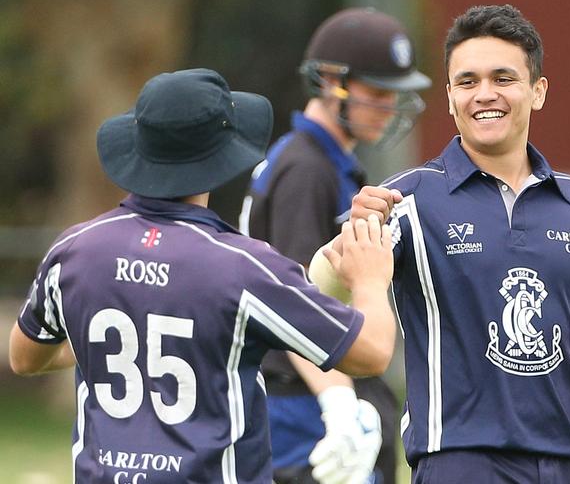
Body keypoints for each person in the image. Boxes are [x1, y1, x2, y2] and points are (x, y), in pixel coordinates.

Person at [8, 68, 398, 483]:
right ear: (222, 156)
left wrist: (132, 340)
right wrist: (371, 279)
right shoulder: (244, 267)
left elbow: (25, 357)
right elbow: (371, 353)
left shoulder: (73, 252)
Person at [315, 4, 570, 484]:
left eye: (503, 78)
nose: (484, 95)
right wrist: (350, 242)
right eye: (467, 82)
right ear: (450, 97)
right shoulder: (404, 199)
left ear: (537, 91)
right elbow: (317, 287)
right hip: (459, 462)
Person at [239, 7, 431, 484]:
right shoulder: (307, 171)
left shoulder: (323, 161)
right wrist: (339, 405)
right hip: (300, 398)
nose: (389, 106)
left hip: (315, 387)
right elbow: (298, 301)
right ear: (330, 81)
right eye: (377, 90)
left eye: (395, 93)